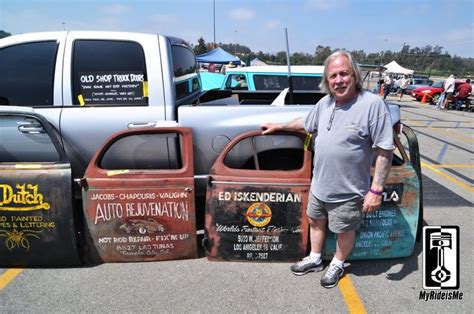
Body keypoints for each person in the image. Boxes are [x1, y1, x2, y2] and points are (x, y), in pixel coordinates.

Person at [261, 51, 394, 289]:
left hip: (349, 190)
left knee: (344, 230)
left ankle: (337, 263)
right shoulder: (325, 103)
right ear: (327, 80)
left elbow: (385, 149)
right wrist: (279, 126)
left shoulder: (372, 105)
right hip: (320, 185)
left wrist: (376, 190)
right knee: (315, 221)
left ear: (355, 75)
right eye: (333, 76)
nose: (339, 80)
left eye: (344, 73)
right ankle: (315, 258)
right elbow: (306, 123)